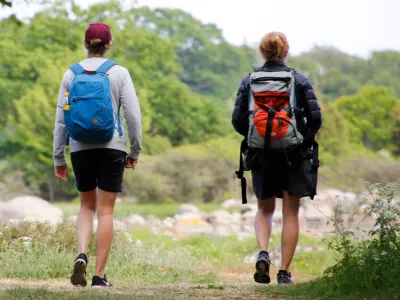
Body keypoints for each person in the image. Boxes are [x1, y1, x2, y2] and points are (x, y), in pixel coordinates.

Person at [53, 22, 142, 288]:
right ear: (108, 44)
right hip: (112, 145)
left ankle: (81, 253)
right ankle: (99, 276)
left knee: (85, 206)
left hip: (80, 147)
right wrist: (134, 149)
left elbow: (61, 119)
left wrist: (59, 156)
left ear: (85, 44)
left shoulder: (71, 73)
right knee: (105, 212)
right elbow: (133, 116)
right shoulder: (119, 73)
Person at [232, 32, 322, 284]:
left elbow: (237, 120)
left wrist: (256, 138)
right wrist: (302, 137)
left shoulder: (249, 80)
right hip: (294, 154)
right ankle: (284, 272)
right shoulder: (298, 79)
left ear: (263, 52)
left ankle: (263, 252)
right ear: (285, 52)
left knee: (264, 209)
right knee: (290, 213)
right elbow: (316, 118)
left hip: (260, 154)